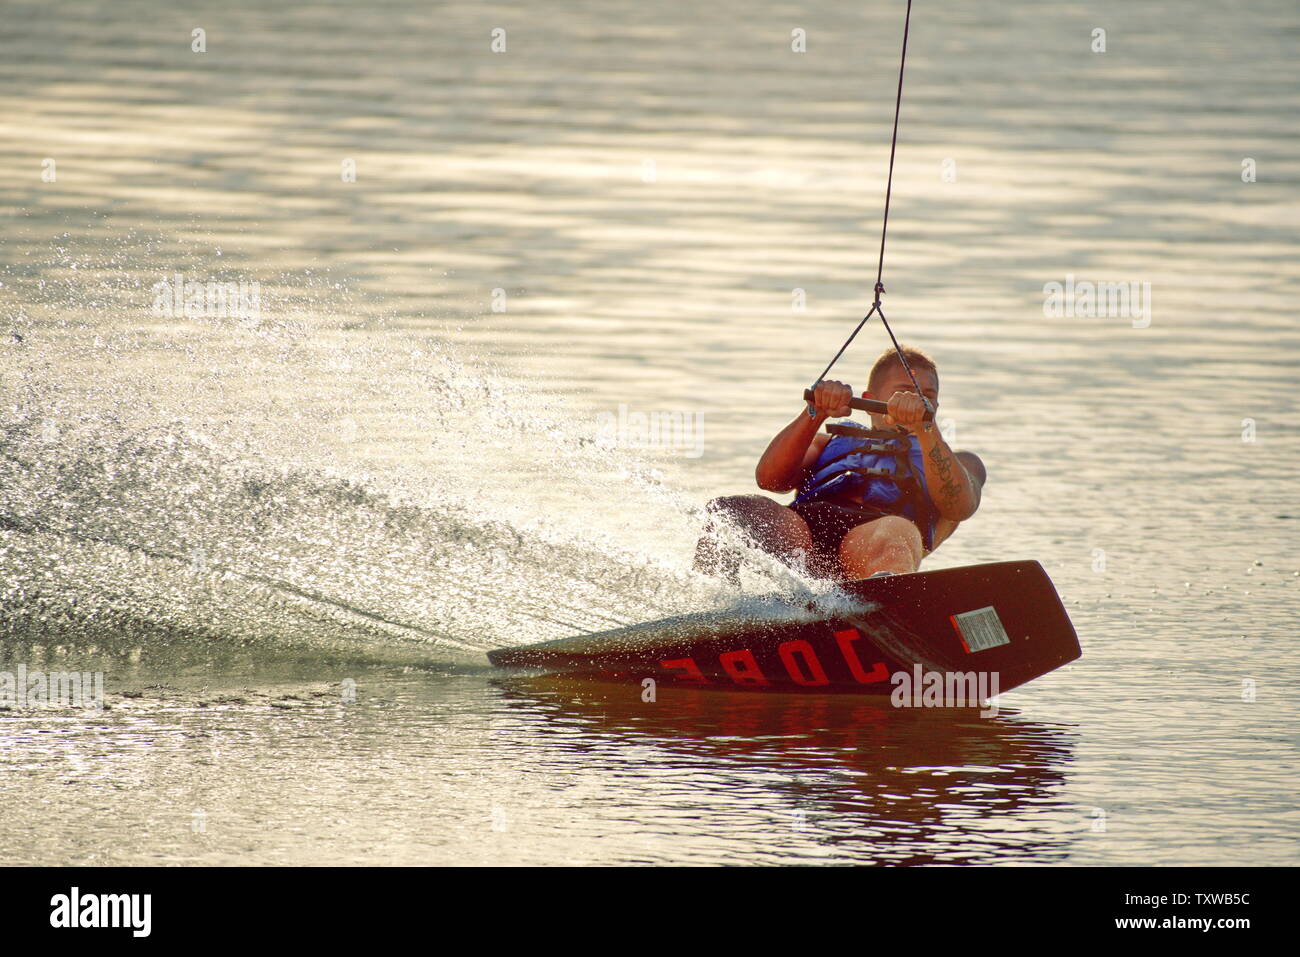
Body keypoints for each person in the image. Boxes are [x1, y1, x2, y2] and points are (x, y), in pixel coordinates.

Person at [694, 346, 985, 582]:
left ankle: (884, 611)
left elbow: (959, 507)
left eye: (927, 396)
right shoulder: (825, 444)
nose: (915, 399)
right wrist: (815, 412)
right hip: (805, 530)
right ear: (871, 400)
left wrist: (925, 428)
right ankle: (712, 609)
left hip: (873, 538)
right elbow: (770, 480)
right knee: (730, 512)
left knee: (895, 533)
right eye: (904, 390)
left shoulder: (960, 463)